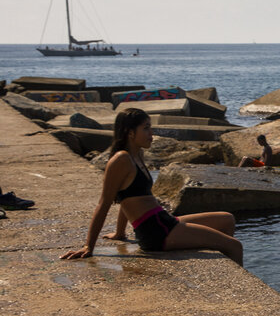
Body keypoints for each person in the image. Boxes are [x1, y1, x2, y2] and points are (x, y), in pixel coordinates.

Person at [60, 108, 244, 265]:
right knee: (235, 245)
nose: (151, 134)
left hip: (163, 221)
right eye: (146, 129)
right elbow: (104, 202)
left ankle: (226, 262)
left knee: (227, 219)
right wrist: (88, 246)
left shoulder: (137, 155)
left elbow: (127, 195)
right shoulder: (121, 159)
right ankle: (242, 301)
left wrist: (120, 232)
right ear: (130, 133)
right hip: (157, 232)